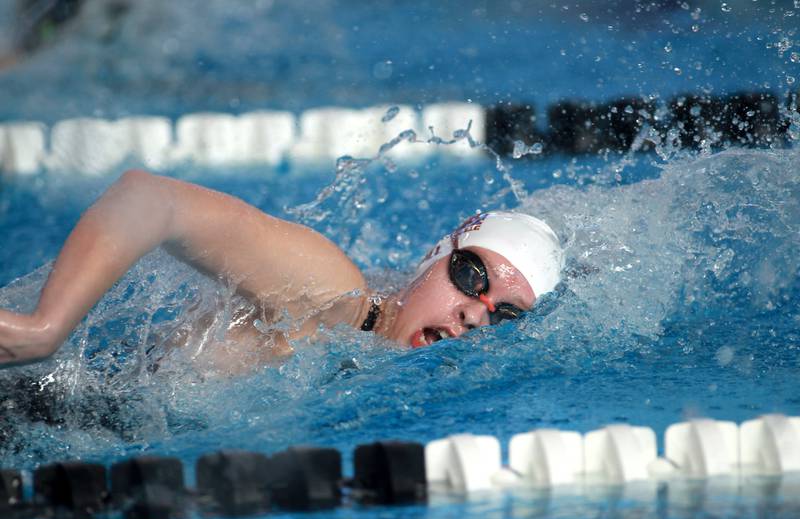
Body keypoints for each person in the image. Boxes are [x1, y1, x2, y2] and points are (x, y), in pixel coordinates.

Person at [0, 169, 564, 373]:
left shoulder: (378, 345)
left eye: (506, 316)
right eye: (470, 277)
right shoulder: (332, 294)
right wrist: (46, 326)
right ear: (435, 258)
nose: (474, 313)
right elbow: (150, 199)